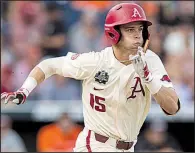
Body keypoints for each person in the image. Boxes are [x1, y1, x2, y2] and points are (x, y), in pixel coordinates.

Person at [1, 2, 181, 152]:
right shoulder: (96, 61)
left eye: (140, 29)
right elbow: (48, 65)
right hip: (95, 145)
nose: (137, 35)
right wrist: (24, 91)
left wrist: (149, 78)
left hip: (128, 147)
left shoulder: (150, 60)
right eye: (130, 29)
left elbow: (173, 108)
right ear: (114, 33)